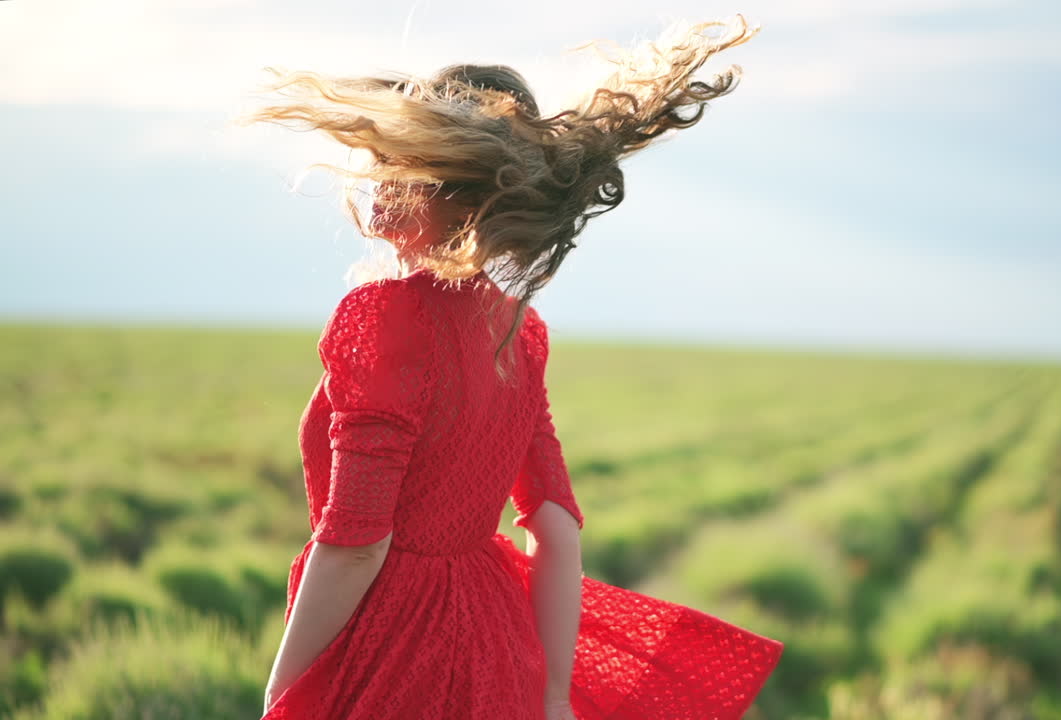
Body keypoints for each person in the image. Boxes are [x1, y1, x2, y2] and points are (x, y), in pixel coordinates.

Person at [239, 14, 783, 720]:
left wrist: (281, 691)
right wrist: (552, 695)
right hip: (499, 645)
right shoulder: (517, 333)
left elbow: (356, 546)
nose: (377, 173)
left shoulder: (383, 316)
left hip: (393, 650)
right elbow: (555, 526)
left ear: (440, 184)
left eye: (398, 156)